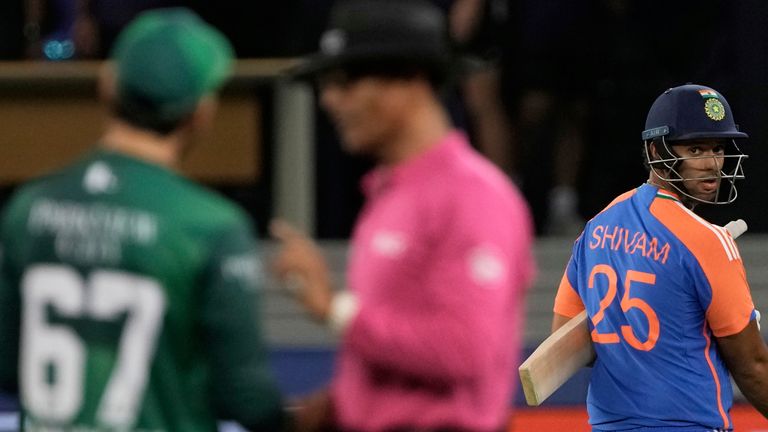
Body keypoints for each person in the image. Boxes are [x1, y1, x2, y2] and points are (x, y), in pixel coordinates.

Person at [0, 8, 290, 431]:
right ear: (202, 114)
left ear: (107, 87)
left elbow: (8, 364)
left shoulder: (29, 207)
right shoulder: (209, 227)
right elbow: (246, 398)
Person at [269, 1, 536, 431]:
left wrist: (334, 309)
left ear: (412, 80)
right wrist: (340, 405)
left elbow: (466, 349)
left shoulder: (473, 197)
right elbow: (397, 360)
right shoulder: (391, 193)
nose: (330, 100)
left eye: (347, 82)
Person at [552, 84, 768, 430]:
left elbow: (565, 338)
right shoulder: (707, 240)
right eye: (696, 148)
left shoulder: (594, 228)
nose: (712, 164)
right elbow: (752, 366)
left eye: (718, 148)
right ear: (656, 151)